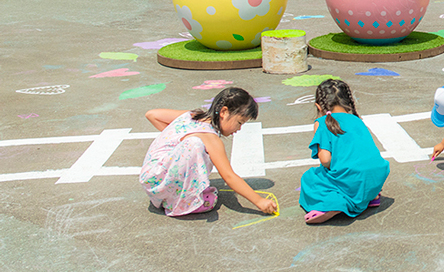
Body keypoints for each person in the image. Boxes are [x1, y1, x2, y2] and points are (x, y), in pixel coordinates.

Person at [140, 87, 277, 217]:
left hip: (150, 178)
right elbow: (229, 176)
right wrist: (259, 201)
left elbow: (152, 114)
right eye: (239, 122)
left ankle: (170, 191)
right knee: (208, 196)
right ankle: (177, 202)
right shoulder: (210, 137)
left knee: (192, 146)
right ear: (223, 112)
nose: (239, 129)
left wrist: (175, 138)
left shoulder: (191, 116)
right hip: (162, 183)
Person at [300, 79, 390, 225]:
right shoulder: (356, 119)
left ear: (318, 106)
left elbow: (325, 160)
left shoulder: (322, 122)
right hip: (376, 176)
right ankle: (371, 196)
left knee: (310, 178)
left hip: (353, 177)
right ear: (349, 102)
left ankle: (336, 205)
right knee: (357, 175)